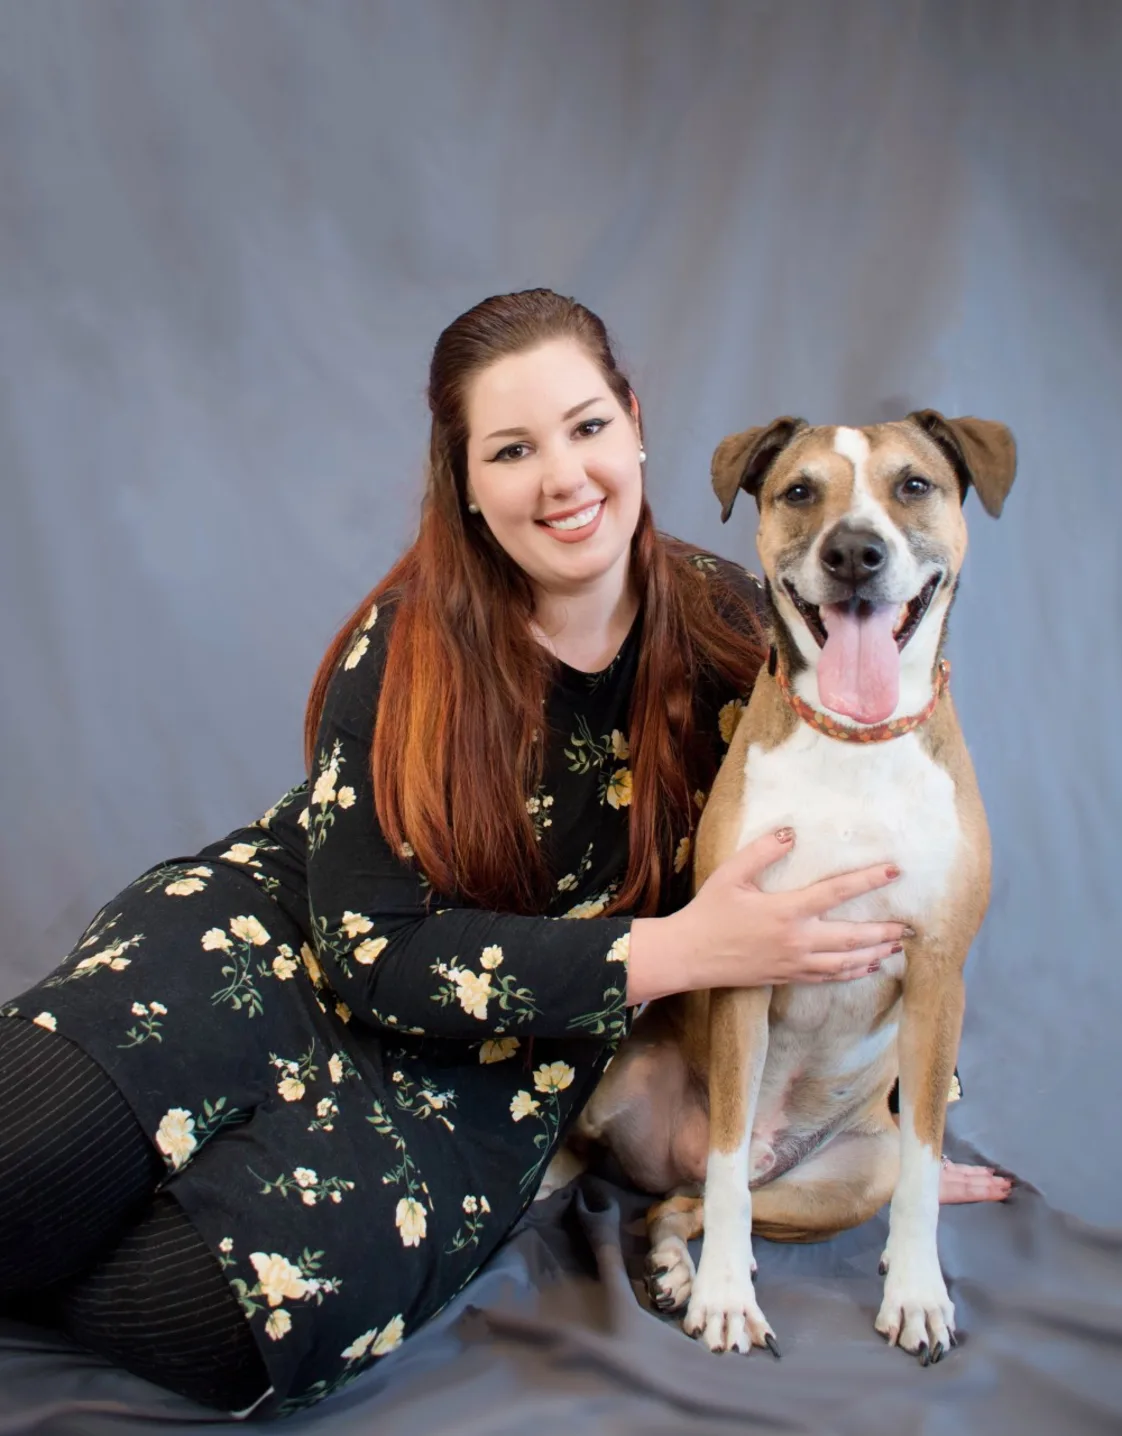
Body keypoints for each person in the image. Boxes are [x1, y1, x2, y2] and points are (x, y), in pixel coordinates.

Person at [0, 290, 1002, 1419]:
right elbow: (371, 945)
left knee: (216, 1321)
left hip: (501, 1065)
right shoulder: (412, 636)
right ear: (466, 481)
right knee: (23, 1154)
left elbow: (886, 849)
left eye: (585, 427)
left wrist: (888, 1114)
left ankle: (92, 1216)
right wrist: (669, 948)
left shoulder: (747, 632)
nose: (563, 478)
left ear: (634, 422)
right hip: (289, 944)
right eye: (513, 449)